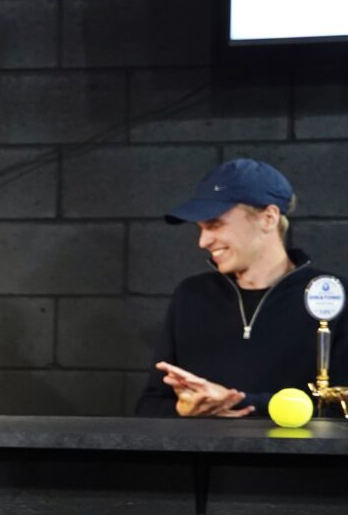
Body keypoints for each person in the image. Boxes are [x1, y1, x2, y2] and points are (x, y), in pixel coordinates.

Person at [135, 159, 329, 418]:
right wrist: (183, 410)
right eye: (200, 228)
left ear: (268, 218)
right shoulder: (192, 295)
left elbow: (340, 409)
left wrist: (237, 402)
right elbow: (149, 408)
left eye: (215, 224)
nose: (203, 241)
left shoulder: (332, 297)